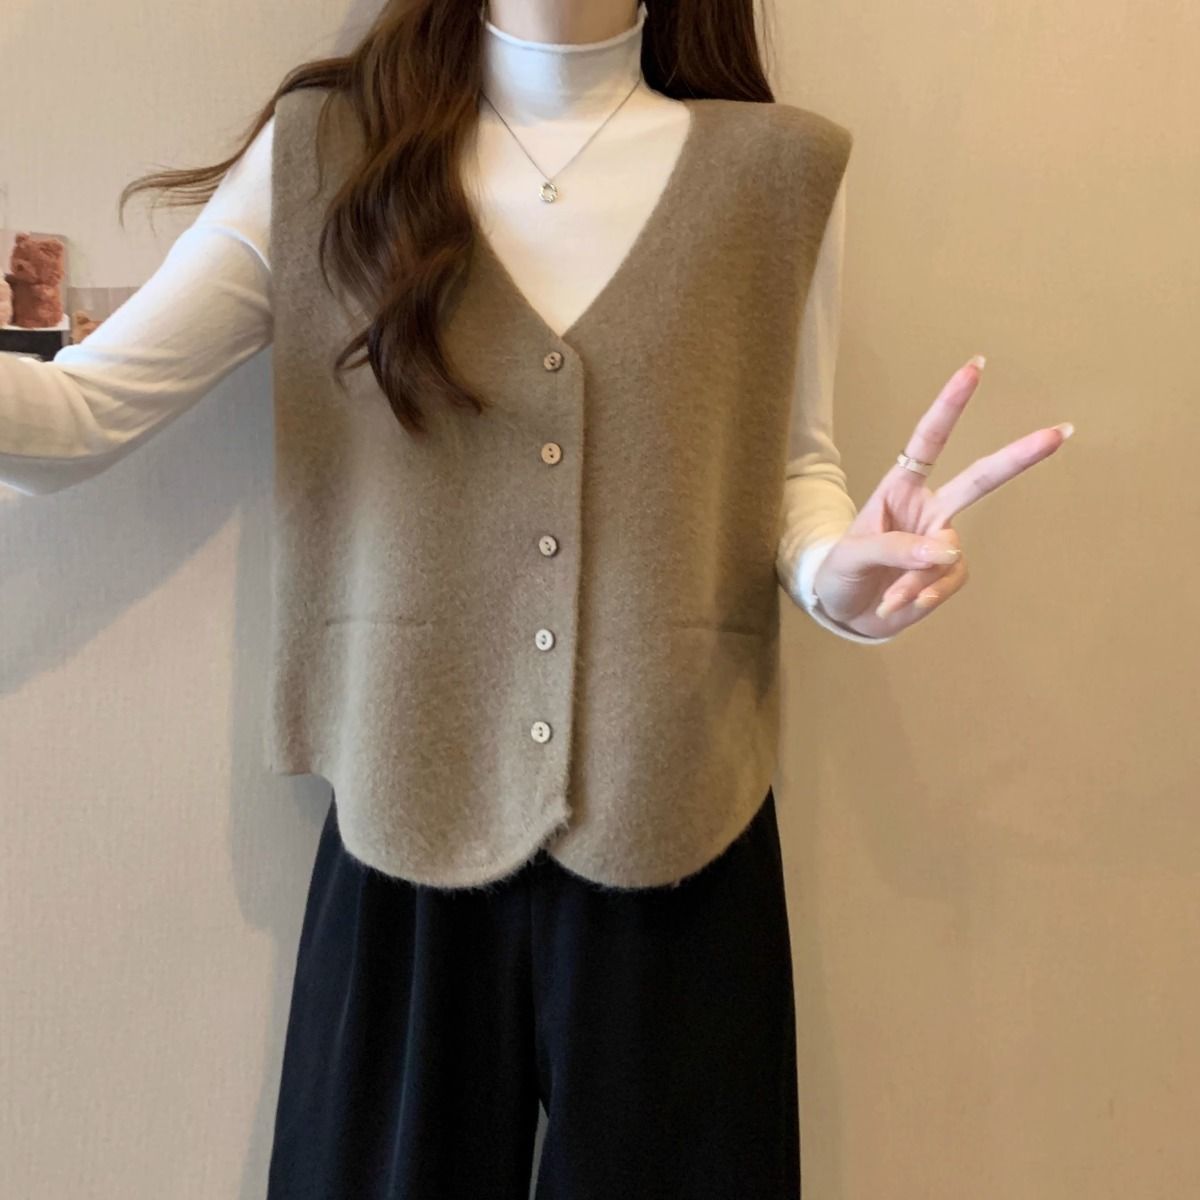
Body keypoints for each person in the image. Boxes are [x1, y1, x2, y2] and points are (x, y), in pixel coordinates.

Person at [0, 2, 1073, 1195]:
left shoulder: (776, 173)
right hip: (407, 812)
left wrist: (835, 576)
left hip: (681, 815)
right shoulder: (330, 157)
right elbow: (80, 415)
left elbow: (788, 464)